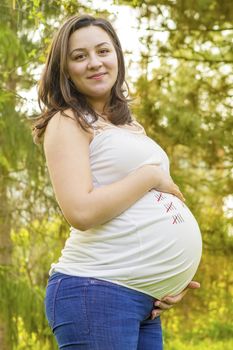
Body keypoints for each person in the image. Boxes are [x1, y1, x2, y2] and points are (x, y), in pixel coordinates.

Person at [33, 14, 202, 350]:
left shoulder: (127, 125)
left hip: (143, 301)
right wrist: (151, 175)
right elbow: (80, 211)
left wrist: (169, 281)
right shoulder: (68, 121)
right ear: (64, 69)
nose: (94, 63)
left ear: (118, 58)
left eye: (103, 51)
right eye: (79, 56)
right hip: (96, 291)